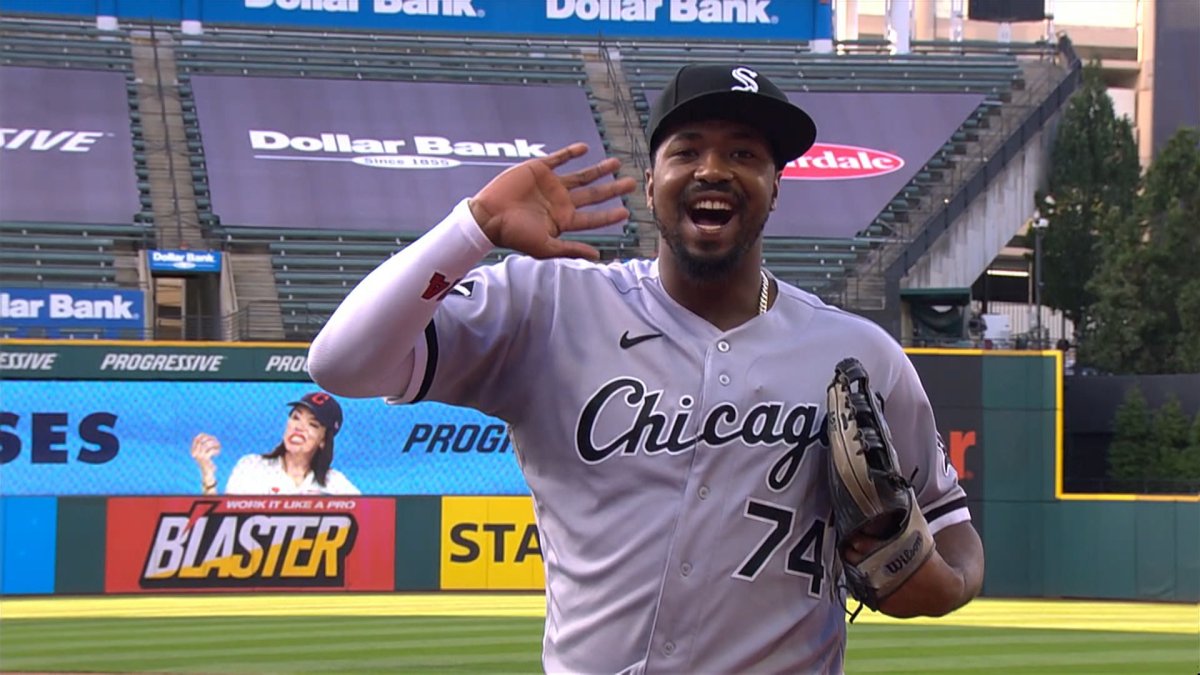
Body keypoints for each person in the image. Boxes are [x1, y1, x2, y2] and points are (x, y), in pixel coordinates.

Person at [308, 64, 984, 673]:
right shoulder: (549, 303)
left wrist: (937, 578)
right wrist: (474, 228)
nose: (714, 169)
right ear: (652, 179)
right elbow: (342, 363)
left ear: (775, 187)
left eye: (745, 154)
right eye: (687, 150)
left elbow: (954, 531)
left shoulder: (860, 354)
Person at [190, 391, 359, 496]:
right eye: (295, 417)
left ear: (323, 440)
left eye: (312, 424)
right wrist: (208, 476)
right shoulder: (251, 468)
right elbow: (220, 526)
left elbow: (366, 523)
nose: (299, 427)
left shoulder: (335, 485)